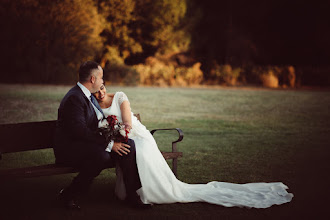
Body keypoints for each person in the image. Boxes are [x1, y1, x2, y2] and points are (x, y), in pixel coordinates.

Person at [93, 84, 294, 208]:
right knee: (129, 151)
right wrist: (114, 136)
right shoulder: (94, 107)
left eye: (102, 89)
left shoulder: (119, 96)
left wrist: (121, 131)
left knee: (140, 150)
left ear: (105, 86)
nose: (101, 94)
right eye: (96, 92)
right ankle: (131, 192)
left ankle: (147, 192)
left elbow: (128, 124)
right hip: (122, 139)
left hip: (136, 135)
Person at [53, 61, 150, 210]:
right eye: (101, 78)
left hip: (87, 143)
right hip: (70, 149)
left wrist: (115, 134)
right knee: (102, 156)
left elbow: (96, 124)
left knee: (128, 145)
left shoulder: (89, 96)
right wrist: (110, 144)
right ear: (93, 79)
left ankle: (132, 195)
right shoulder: (75, 98)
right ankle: (70, 193)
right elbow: (79, 131)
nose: (102, 81)